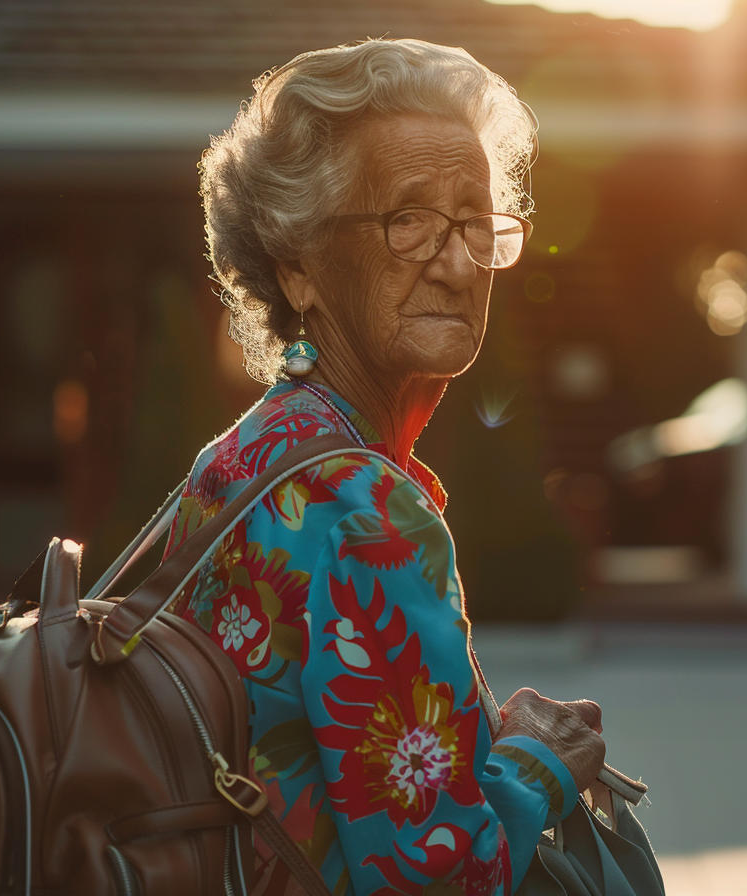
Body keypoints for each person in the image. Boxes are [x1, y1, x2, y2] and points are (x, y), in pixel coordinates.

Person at [163, 38, 606, 896]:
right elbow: (439, 877)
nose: (453, 260)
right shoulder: (369, 509)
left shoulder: (243, 457)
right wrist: (543, 765)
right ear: (298, 267)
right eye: (407, 219)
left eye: (476, 223)